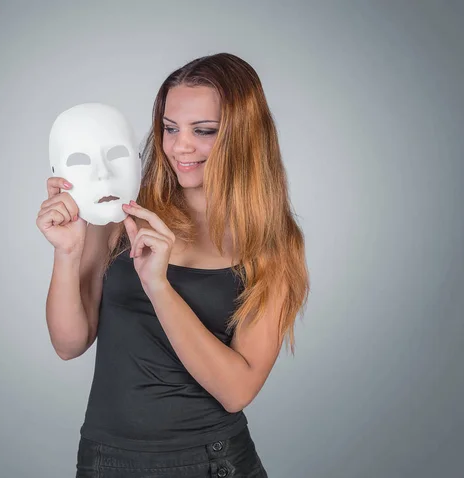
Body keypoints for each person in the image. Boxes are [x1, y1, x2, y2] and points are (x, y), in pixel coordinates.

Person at [36, 52, 310, 477]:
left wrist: (158, 286)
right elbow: (68, 344)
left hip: (214, 460)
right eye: (169, 128)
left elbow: (236, 391)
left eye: (204, 131)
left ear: (243, 136)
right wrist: (67, 252)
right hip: (105, 459)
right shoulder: (127, 213)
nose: (180, 146)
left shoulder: (272, 243)